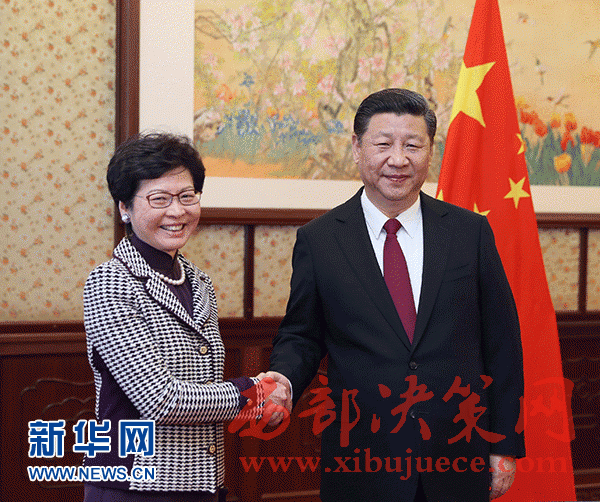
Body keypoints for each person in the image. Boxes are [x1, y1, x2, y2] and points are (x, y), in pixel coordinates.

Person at [265, 88, 525, 501]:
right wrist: (283, 379)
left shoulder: (469, 232)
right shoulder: (320, 240)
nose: (398, 159)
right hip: (362, 458)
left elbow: (502, 343)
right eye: (383, 144)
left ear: (430, 151)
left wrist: (504, 443)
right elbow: (302, 335)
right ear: (357, 148)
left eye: (412, 145)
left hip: (457, 452)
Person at [83, 133, 284, 502]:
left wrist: (263, 400)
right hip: (134, 486)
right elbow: (160, 399)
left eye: (187, 196)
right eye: (159, 199)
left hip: (201, 481)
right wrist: (253, 392)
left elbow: (202, 387)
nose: (176, 211)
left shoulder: (198, 281)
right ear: (124, 207)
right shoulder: (111, 282)